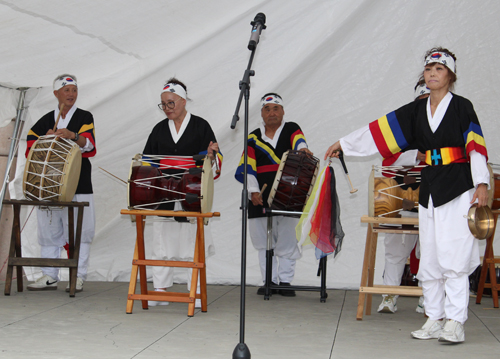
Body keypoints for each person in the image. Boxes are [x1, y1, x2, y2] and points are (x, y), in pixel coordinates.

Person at [325, 48, 489, 343]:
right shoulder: (417, 110)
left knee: (454, 254)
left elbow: (475, 146)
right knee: (431, 257)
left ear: (450, 75)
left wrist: (482, 184)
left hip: (457, 187)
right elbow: (380, 131)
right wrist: (344, 144)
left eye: (439, 69)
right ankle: (434, 318)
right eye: (428, 69)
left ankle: (455, 321)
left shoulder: (463, 107)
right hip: (429, 189)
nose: (432, 73)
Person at [142, 77, 222, 307]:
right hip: (164, 192)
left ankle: (194, 290)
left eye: (170, 103)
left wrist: (211, 155)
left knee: (192, 241)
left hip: (191, 193)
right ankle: (159, 289)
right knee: (160, 240)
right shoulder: (158, 130)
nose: (167, 108)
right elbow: (147, 161)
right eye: (163, 104)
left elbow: (215, 158)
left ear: (183, 101)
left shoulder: (201, 126)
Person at [235, 93, 313, 296]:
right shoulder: (252, 137)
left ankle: (285, 282)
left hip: (289, 193)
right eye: (267, 109)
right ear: (261, 113)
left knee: (287, 238)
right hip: (259, 194)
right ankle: (268, 280)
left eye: (275, 108)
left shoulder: (291, 128)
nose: (271, 113)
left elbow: (300, 143)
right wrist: (252, 192)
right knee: (263, 241)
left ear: (282, 111)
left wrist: (303, 150)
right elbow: (248, 166)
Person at [26, 74, 97, 292]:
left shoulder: (84, 116)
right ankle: (49, 275)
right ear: (56, 93)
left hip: (79, 181)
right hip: (48, 184)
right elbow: (31, 147)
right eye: (66, 90)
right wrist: (44, 139)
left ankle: (78, 275)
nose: (71, 94)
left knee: (80, 229)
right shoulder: (46, 120)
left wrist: (73, 135)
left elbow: (90, 144)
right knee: (49, 229)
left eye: (74, 90)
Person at [377, 80, 430, 314]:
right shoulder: (402, 131)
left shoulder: (449, 128)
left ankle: (428, 297)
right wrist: (415, 155)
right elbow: (386, 164)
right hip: (404, 198)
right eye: (423, 102)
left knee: (432, 250)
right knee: (395, 248)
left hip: (437, 198)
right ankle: (389, 295)